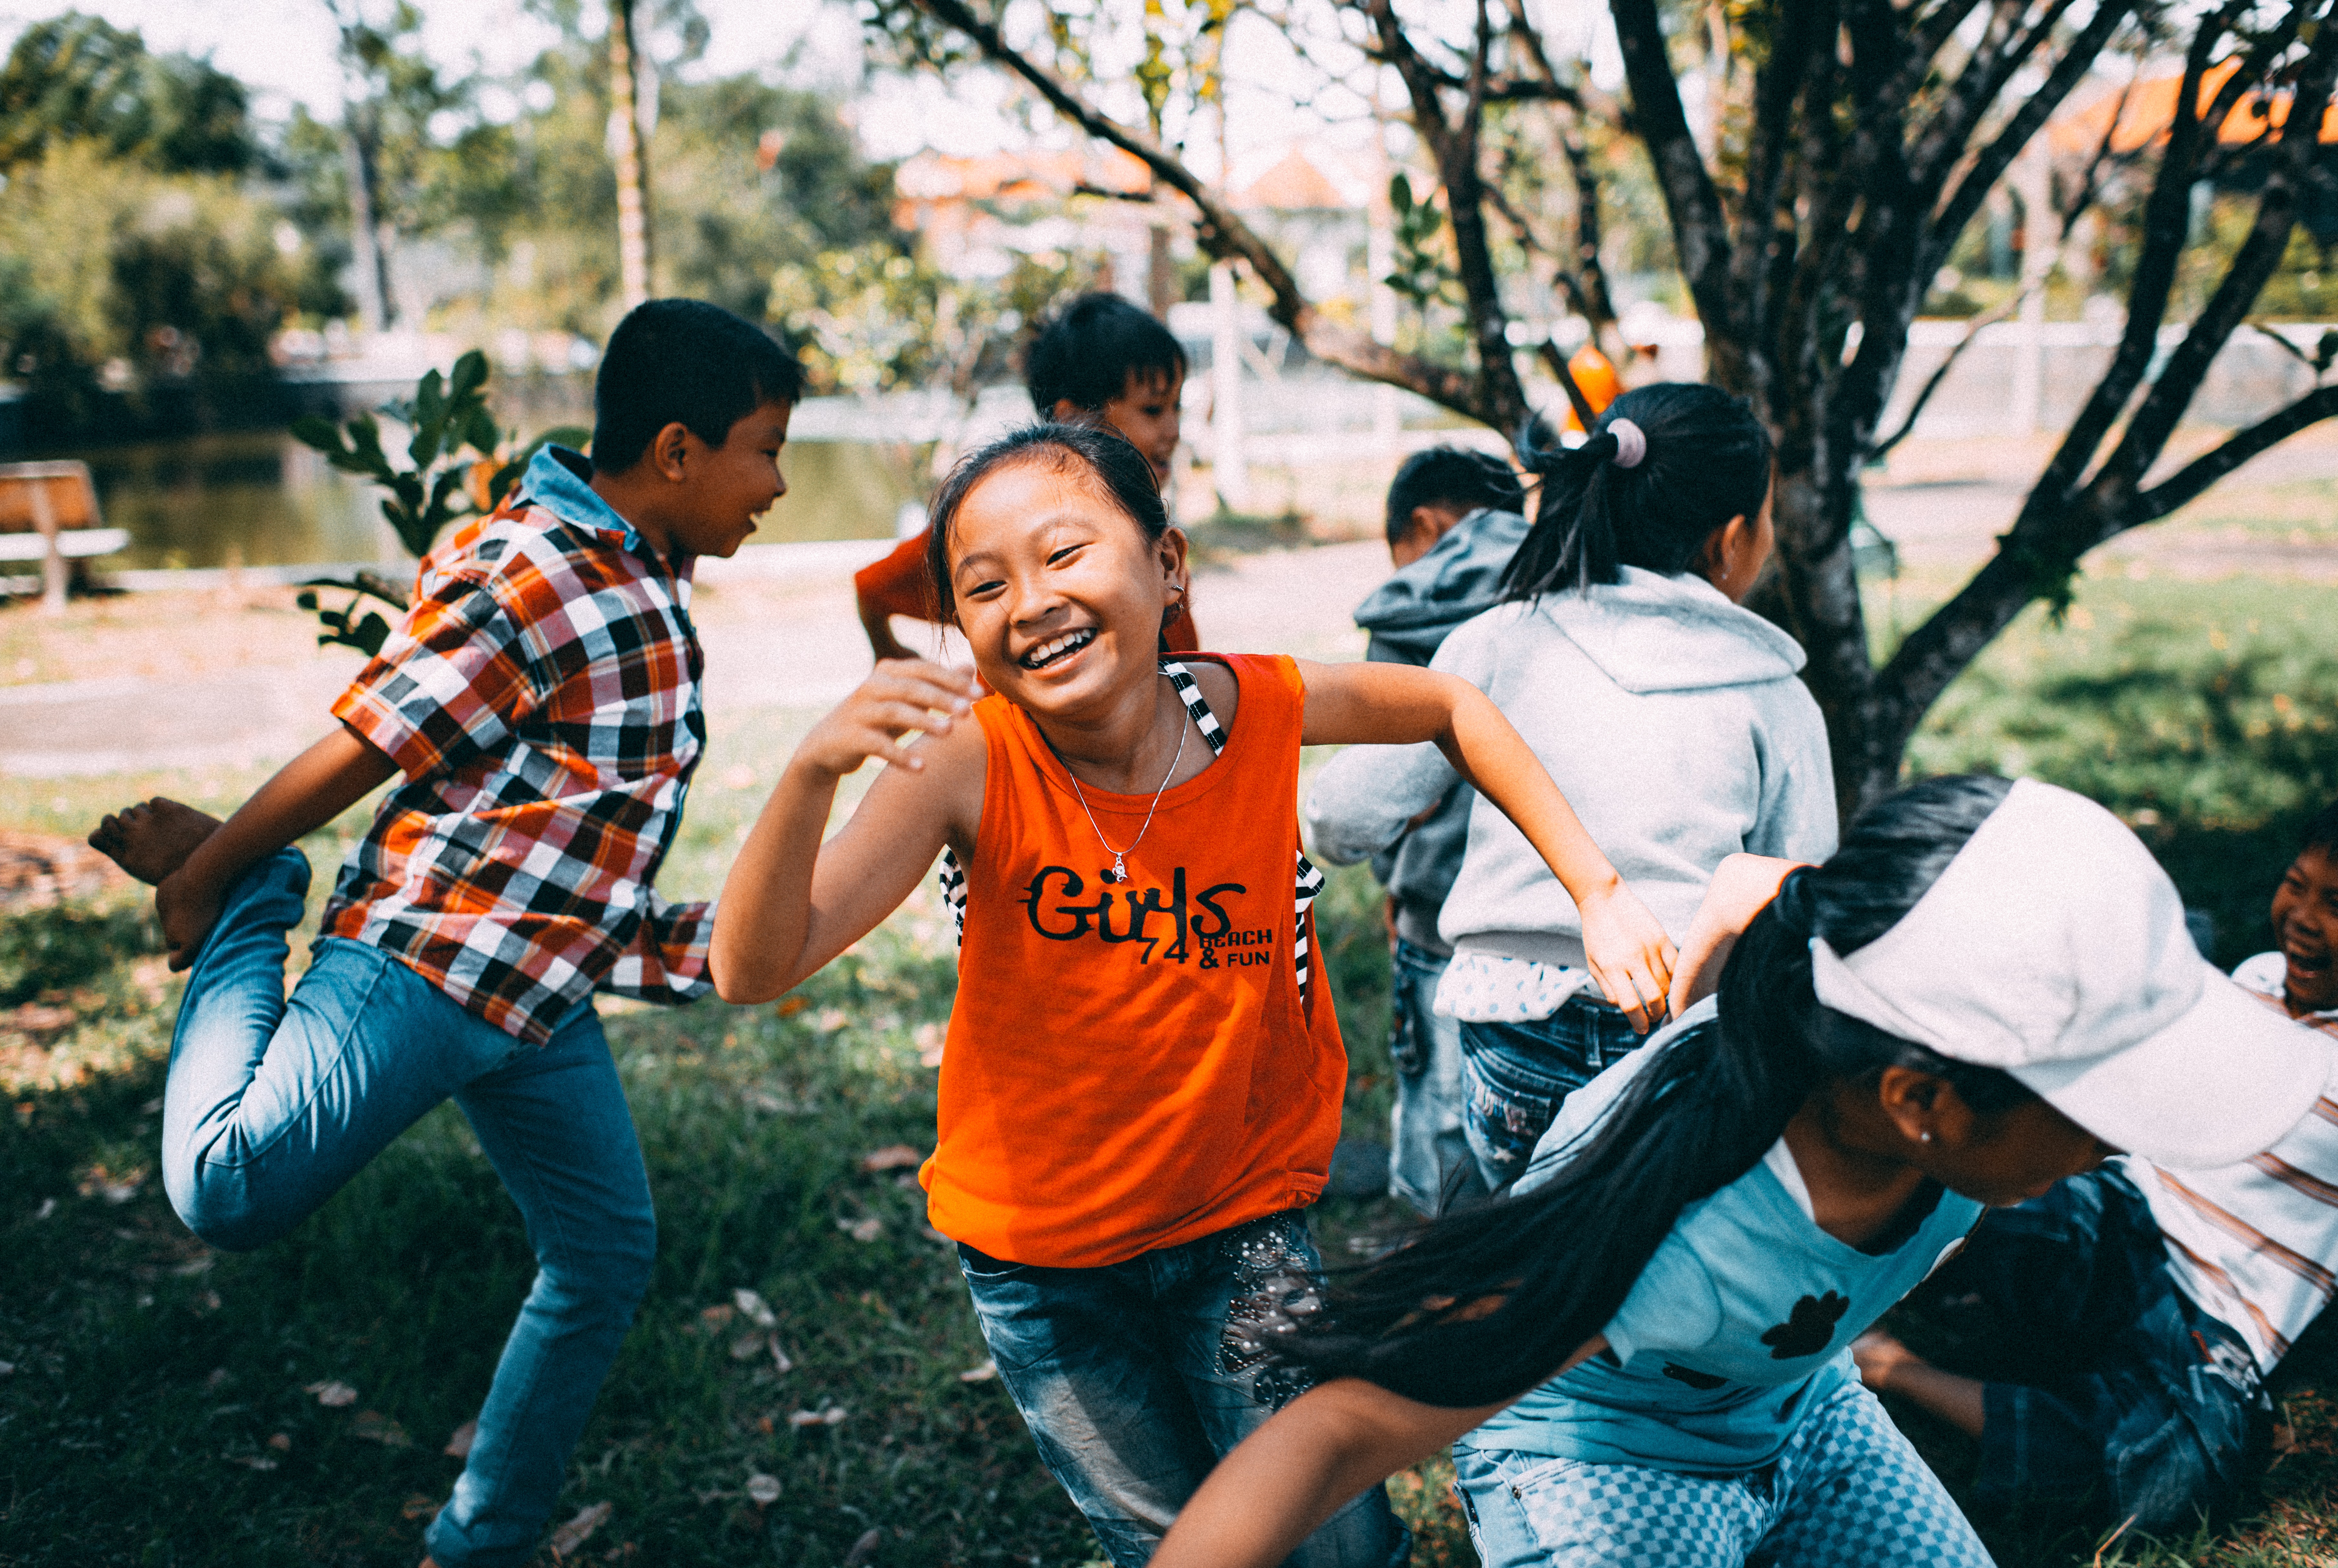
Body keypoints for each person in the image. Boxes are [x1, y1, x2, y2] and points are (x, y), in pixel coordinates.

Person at [709, 420, 1675, 1567]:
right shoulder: (971, 759)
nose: (1031, 602)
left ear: (1168, 567)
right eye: (984, 584)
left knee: (1334, 1537)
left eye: (1066, 554)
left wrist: (1599, 888)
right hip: (1043, 1267)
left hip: (1242, 1227)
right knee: (1171, 1542)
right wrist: (813, 772)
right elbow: (753, 967)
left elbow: (1454, 708)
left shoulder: (1254, 707)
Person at [1144, 775, 2336, 1568]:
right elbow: (1339, 1428)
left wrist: (1696, 989)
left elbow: (1755, 889)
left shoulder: (1859, 997)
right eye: (2098, 1106)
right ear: (1920, 1101)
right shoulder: (1669, 1226)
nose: (2120, 1140)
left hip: (1799, 1409)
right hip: (1601, 1461)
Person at [86, 298, 800, 1568]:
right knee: (228, 1187)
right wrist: (213, 873)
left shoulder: (633, 569)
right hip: (428, 959)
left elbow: (566, 827)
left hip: (535, 994)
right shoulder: (540, 568)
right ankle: (264, 905)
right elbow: (374, 739)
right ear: (681, 451)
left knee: (602, 1250)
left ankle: (480, 1544)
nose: (780, 484)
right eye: (765, 449)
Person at [1305, 385, 1837, 1197]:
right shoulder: (1773, 691)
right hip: (1677, 1040)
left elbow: (1338, 817)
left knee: (1520, 1255)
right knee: (1632, 1263)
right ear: (1731, 538)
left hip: (1510, 1037)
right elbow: (1800, 888)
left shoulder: (1495, 643)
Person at [1852, 798, 2338, 1536]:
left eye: (2335, 902)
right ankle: (1864, 1281)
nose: (2301, 914)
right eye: (2294, 883)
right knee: (1979, 1175)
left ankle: (1887, 1366)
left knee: (2169, 1470)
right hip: (2119, 1212)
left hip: (2215, 1312)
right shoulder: (2257, 977)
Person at [1306, 447, 1529, 1216]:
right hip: (1552, 926)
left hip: (1436, 913)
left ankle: (1428, 1266)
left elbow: (1371, 799)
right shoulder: (1563, 587)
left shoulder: (1415, 609)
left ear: (1424, 525)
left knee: (1438, 1120)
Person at [855, 291, 1197, 663]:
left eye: (1176, 406)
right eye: (1152, 410)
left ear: (1168, 560)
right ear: (1076, 421)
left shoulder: (1148, 529)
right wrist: (888, 652)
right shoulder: (999, 521)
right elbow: (873, 586)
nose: (1173, 429)